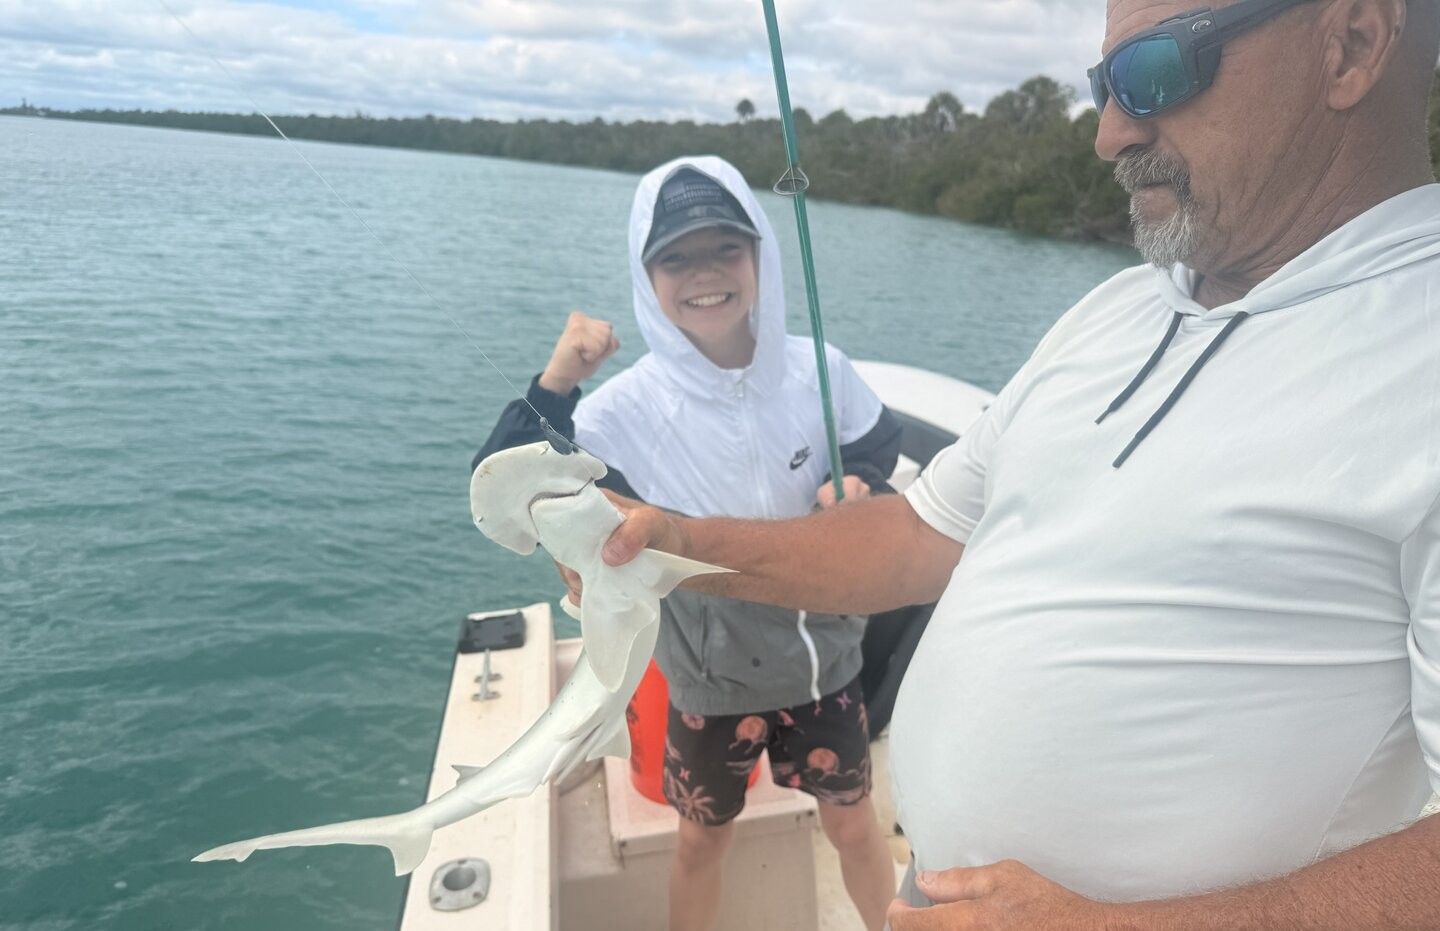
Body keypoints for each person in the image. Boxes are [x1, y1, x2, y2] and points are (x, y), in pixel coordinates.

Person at [586, 1, 1440, 928]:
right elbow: (917, 535)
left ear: (1350, 44)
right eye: (1104, 88)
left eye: (1155, 72)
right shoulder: (1116, 308)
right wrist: (674, 543)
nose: (1112, 133)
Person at [474, 155, 900, 930]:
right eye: (676, 258)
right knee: (702, 841)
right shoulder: (623, 411)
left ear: (760, 256)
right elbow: (500, 482)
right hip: (711, 676)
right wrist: (559, 380)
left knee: (853, 824)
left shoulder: (821, 369)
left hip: (825, 659)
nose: (704, 274)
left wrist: (860, 481)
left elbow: (877, 438)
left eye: (724, 250)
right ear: (647, 277)